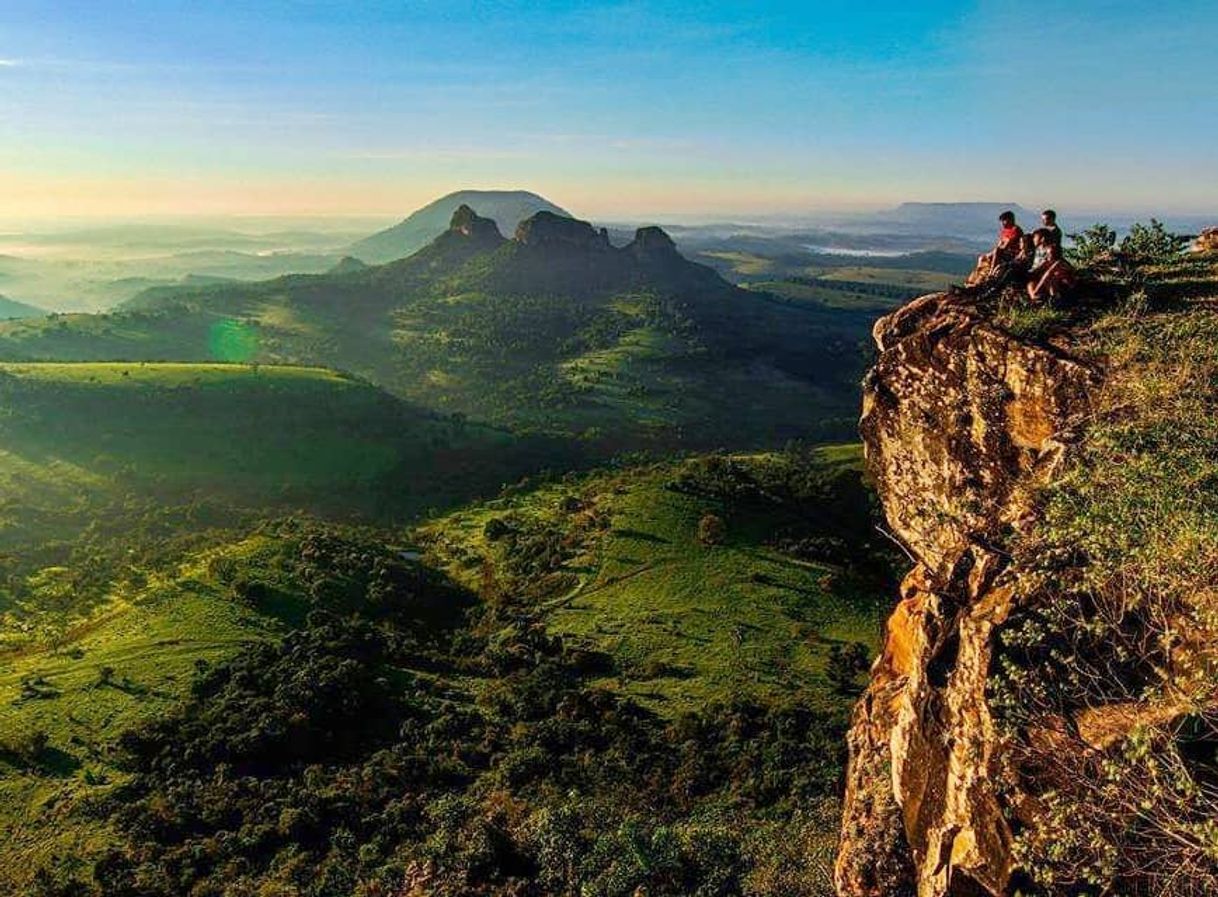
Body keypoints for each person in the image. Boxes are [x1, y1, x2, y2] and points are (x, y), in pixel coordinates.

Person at [1026, 228, 1077, 302]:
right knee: (1031, 284)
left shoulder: (1054, 255)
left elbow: (1048, 271)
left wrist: (1036, 289)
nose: (1033, 239)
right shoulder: (1038, 250)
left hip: (1062, 280)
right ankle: (1035, 298)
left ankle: (1055, 298)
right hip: (1045, 276)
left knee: (1052, 278)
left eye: (1035, 237)